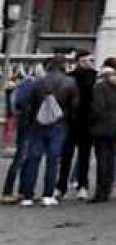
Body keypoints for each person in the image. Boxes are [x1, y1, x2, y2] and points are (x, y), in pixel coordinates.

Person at [18, 55, 79, 206]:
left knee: (33, 159)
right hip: (59, 123)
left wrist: (33, 119)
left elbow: (28, 104)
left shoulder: (38, 81)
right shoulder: (69, 82)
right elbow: (75, 106)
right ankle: (48, 194)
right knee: (53, 160)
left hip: (38, 124)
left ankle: (27, 196)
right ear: (64, 66)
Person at [89, 59, 116, 204]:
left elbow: (97, 108)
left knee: (102, 158)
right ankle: (108, 187)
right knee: (112, 157)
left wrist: (91, 121)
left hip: (103, 126)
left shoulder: (100, 87)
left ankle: (101, 191)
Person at [57, 52, 99, 200]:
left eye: (90, 60)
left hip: (87, 122)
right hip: (71, 121)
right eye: (85, 60)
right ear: (78, 61)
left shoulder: (95, 76)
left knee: (84, 156)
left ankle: (83, 185)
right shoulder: (70, 77)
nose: (88, 62)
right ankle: (61, 186)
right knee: (66, 156)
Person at [1, 70, 35, 205]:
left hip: (22, 123)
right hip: (27, 124)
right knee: (22, 158)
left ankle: (15, 191)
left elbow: (12, 110)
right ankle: (13, 191)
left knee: (22, 158)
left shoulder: (16, 88)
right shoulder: (27, 86)